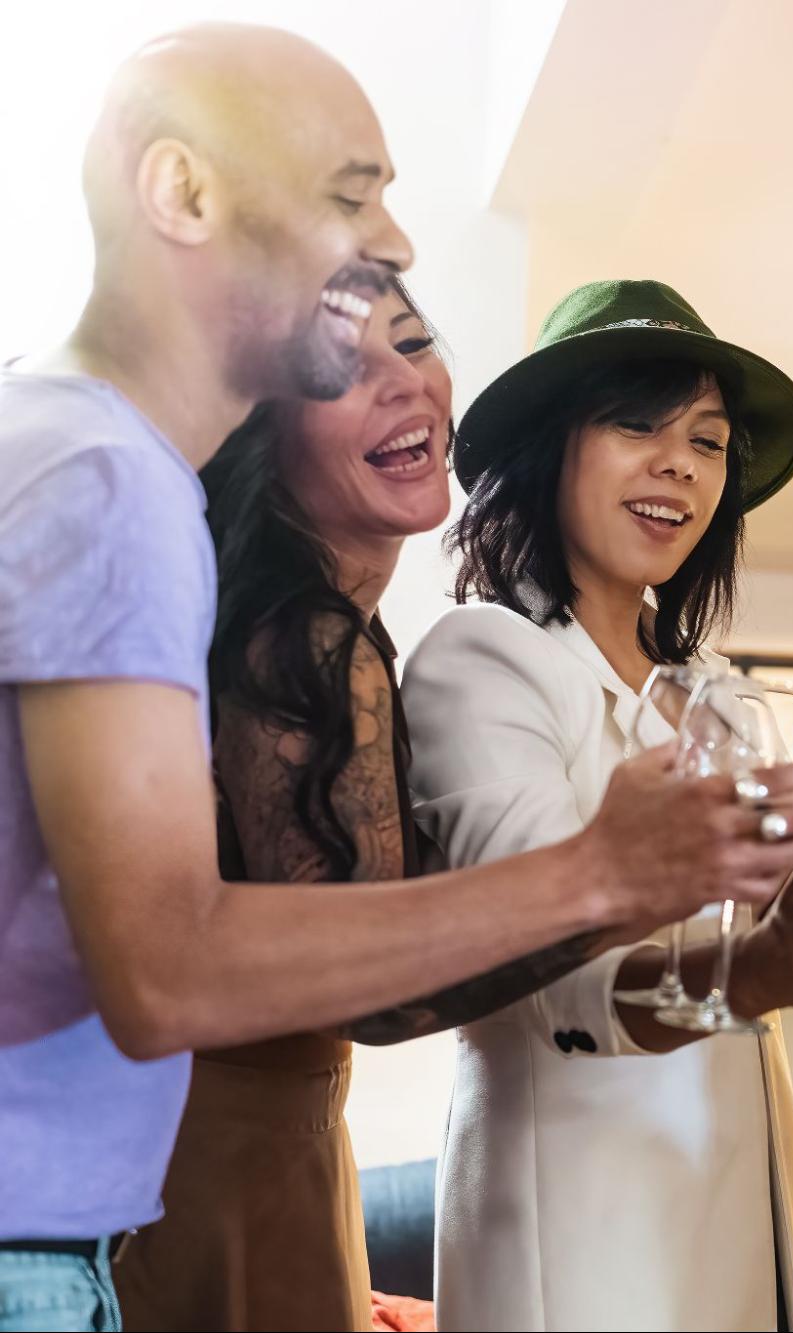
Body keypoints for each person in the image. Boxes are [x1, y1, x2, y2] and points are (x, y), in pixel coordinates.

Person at [0, 30, 793, 1332]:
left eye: (417, 339)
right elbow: (191, 972)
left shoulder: (199, 555)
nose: (396, 245)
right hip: (129, 1204)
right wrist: (609, 876)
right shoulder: (162, 520)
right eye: (349, 198)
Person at [402, 279, 793, 1332]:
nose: (679, 463)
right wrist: (761, 968)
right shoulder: (484, 658)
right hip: (578, 1229)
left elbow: (770, 926)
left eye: (708, 440)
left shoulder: (718, 691)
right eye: (635, 424)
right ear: (551, 445)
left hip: (745, 1211)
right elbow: (546, 968)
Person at [113, 282, 452, 1330]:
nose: (404, 383)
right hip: (220, 1166)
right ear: (263, 428)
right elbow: (367, 986)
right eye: (340, 370)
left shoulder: (293, 619)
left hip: (261, 1144)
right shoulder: (304, 635)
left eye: (414, 342)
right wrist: (623, 886)